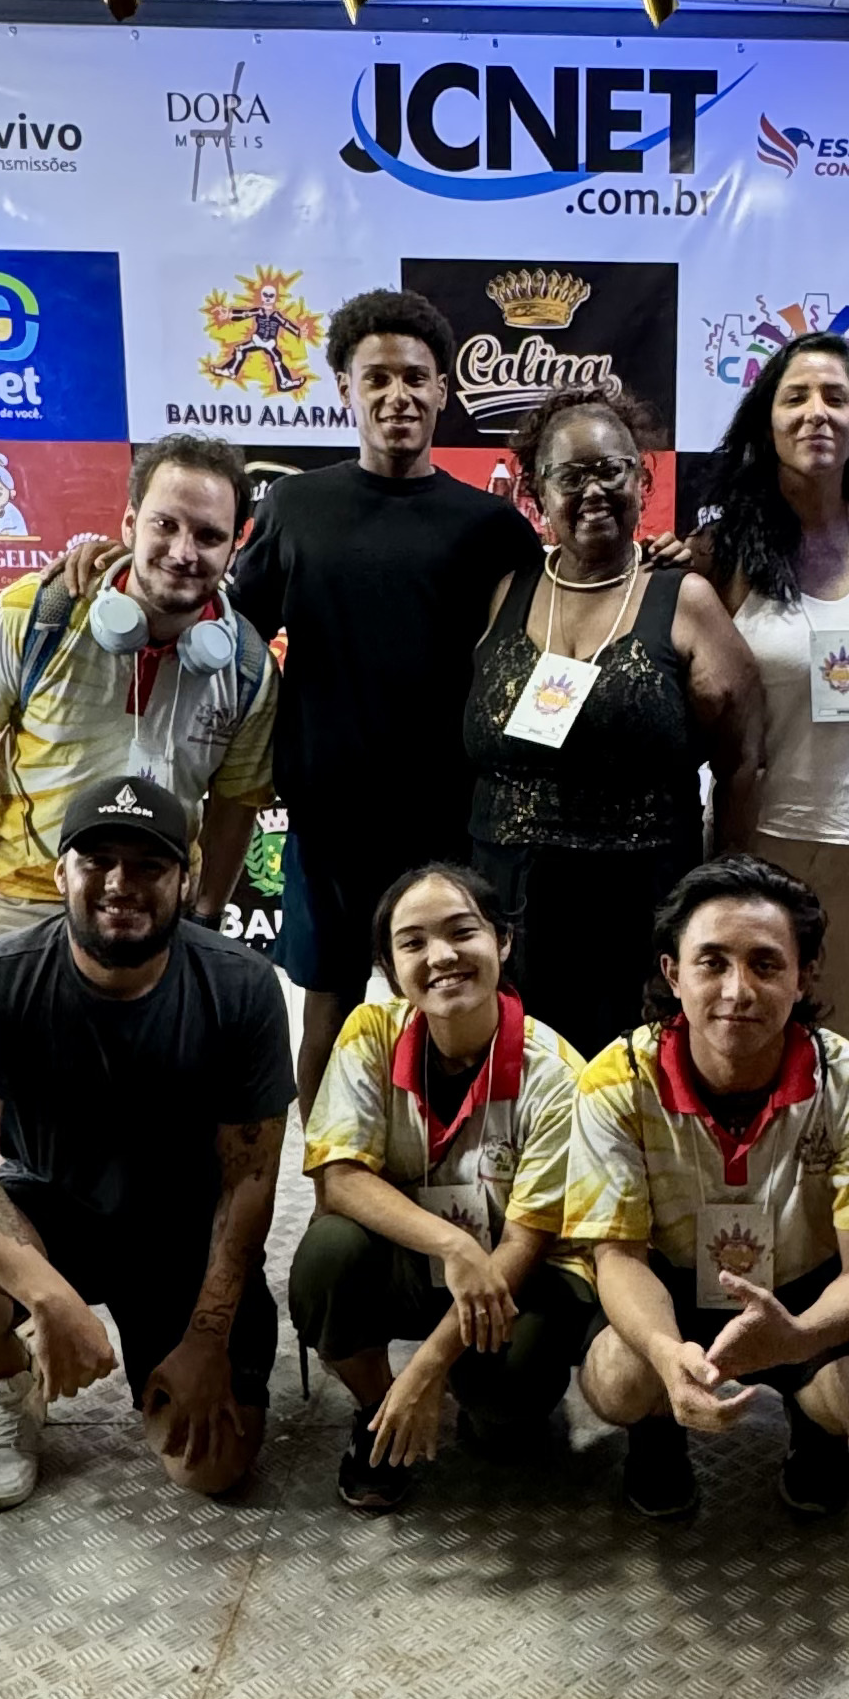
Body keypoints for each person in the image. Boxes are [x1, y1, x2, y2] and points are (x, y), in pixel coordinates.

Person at [0, 774, 290, 1513]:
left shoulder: (242, 985)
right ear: (60, 874)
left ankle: (178, 1349)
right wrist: (48, 1297)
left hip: (181, 1228)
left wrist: (208, 1339)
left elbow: (250, 1179)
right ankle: (8, 1387)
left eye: (149, 865)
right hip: (52, 1209)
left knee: (211, 1469)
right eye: (97, 860)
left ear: (186, 879)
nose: (120, 883)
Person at [228, 291, 539, 1113]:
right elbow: (231, 639)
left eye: (415, 377)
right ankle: (330, 1172)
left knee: (455, 1008)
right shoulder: (294, 507)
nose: (397, 395)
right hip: (329, 818)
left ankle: (454, 1163)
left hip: (454, 817)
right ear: (345, 389)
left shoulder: (493, 528)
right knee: (329, 1010)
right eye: (377, 378)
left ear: (443, 392)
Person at [563, 854, 849, 1524]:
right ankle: (657, 1431)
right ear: (673, 973)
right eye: (712, 962)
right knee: (617, 1379)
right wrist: (665, 1354)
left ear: (804, 977)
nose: (738, 990)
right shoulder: (616, 1082)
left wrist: (799, 1337)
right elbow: (619, 1258)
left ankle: (818, 1430)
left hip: (804, 1295)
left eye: (766, 964)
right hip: (670, 1286)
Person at [463, 387, 765, 1064]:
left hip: (638, 907)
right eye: (571, 476)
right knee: (515, 1084)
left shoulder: (684, 598)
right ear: (538, 493)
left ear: (641, 481)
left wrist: (723, 891)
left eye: (612, 470)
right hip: (506, 902)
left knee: (628, 1087)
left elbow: (744, 760)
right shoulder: (506, 590)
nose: (594, 490)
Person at [293, 861, 597, 1516]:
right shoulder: (370, 1033)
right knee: (327, 1256)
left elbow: (527, 1241)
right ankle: (379, 1412)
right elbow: (340, 1179)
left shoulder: (557, 1074)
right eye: (413, 943)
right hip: (422, 1255)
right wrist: (452, 1246)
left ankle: (476, 1398)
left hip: (520, 1271)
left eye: (462, 932)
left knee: (507, 1408)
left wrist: (427, 1370)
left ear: (502, 942)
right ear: (388, 967)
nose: (441, 957)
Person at [0, 432, 276, 944]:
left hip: (156, 908)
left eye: (208, 536)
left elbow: (236, 803)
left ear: (233, 545)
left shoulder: (249, 668)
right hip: (22, 902)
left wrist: (205, 917)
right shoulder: (36, 613)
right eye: (165, 525)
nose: (183, 552)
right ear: (130, 523)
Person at [688, 331, 849, 1017]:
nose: (816, 413)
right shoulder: (725, 547)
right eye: (795, 397)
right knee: (755, 1029)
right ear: (767, 420)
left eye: (835, 396)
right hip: (769, 836)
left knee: (841, 1027)